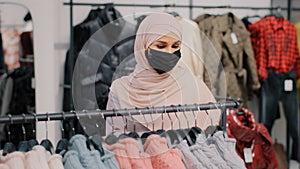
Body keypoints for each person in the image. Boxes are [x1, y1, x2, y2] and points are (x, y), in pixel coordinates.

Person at [106, 13, 220, 135]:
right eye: (161, 46)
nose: (170, 52)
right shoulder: (120, 89)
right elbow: (113, 137)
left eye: (175, 46)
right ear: (143, 45)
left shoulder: (196, 87)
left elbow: (211, 135)